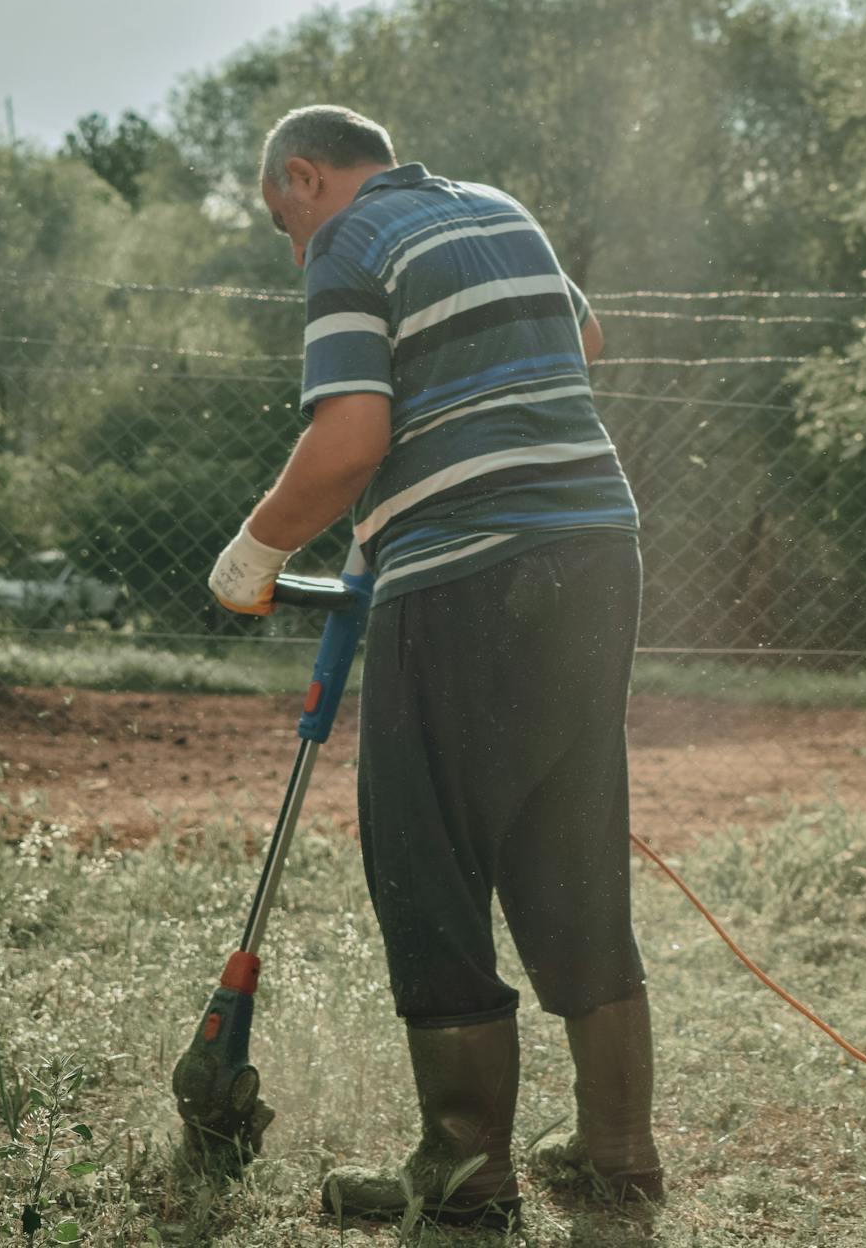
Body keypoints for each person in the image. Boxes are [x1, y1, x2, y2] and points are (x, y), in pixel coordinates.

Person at [209, 103, 662, 1229]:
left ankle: (463, 1165)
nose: (292, 246)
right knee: (569, 833)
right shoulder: (498, 209)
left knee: (426, 852)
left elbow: (349, 438)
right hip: (599, 550)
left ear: (306, 178)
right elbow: (583, 344)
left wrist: (255, 549)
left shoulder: (351, 243)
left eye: (283, 219)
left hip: (467, 572)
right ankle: (616, 1145)